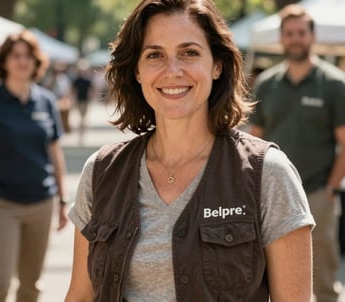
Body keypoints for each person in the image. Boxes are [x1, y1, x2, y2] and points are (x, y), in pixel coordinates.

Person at [65, 1, 315, 301]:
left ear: (217, 65)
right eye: (155, 55)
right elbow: (80, 295)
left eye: (189, 53)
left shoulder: (268, 174)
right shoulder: (101, 172)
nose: (173, 70)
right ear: (137, 71)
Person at [248, 4, 345, 302]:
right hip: (270, 197)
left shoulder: (334, 84)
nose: (295, 39)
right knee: (273, 281)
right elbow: (254, 143)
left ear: (312, 36)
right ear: (282, 38)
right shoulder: (267, 84)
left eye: (301, 33)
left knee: (325, 283)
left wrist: (330, 189)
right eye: (289, 33)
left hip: (317, 193)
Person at [0, 30, 69, 302]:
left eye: (28, 56)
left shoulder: (46, 101)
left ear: (36, 62)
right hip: (1, 205)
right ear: (4, 61)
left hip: (41, 203)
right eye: (16, 55)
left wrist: (63, 200)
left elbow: (54, 154)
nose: (22, 61)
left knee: (31, 285)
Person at [72, 59, 93, 138]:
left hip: (85, 100)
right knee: (81, 116)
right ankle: (81, 130)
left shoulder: (87, 80)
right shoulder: (77, 80)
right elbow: (73, 90)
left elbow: (91, 90)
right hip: (79, 100)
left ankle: (82, 130)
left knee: (83, 117)